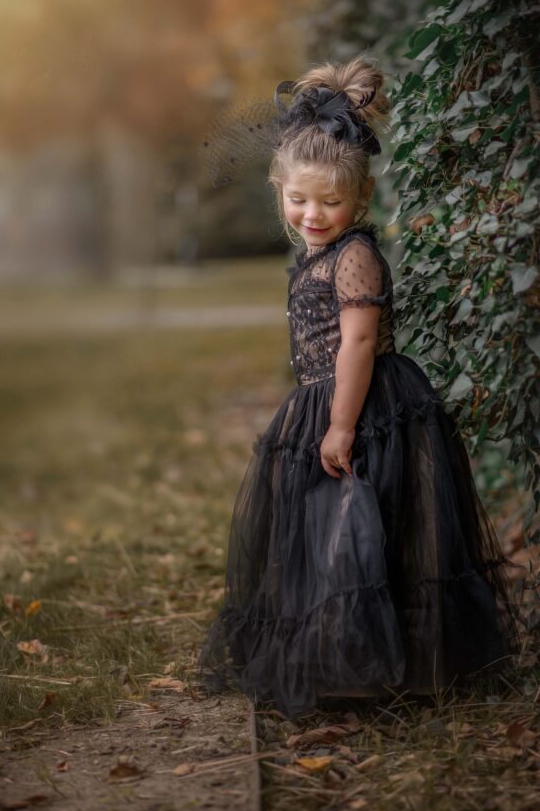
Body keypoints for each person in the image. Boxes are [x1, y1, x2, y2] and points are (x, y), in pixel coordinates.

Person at [196, 56, 523, 722]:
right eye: (297, 199)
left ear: (361, 199)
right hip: (323, 400)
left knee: (368, 530)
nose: (312, 214)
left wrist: (340, 425)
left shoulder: (354, 256)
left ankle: (389, 663)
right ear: (277, 190)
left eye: (330, 201)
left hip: (367, 407)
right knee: (325, 536)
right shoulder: (316, 251)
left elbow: (359, 343)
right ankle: (338, 655)